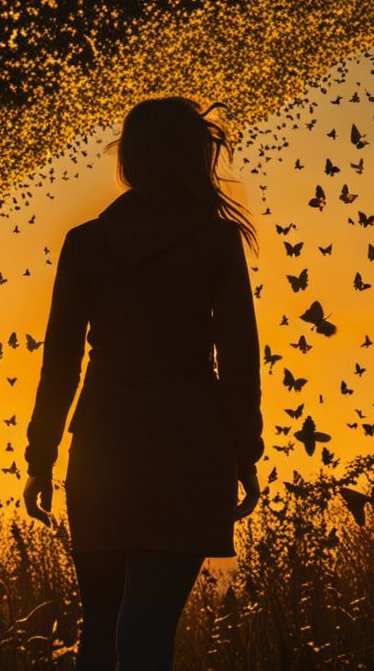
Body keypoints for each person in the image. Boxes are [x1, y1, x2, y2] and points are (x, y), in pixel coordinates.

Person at [22, 96, 265, 670]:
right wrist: (245, 453)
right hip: (189, 445)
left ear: (130, 158)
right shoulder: (216, 241)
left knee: (101, 628)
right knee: (147, 631)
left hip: (104, 446)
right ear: (191, 157)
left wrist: (41, 457)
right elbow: (239, 360)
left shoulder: (86, 243)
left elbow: (59, 361)